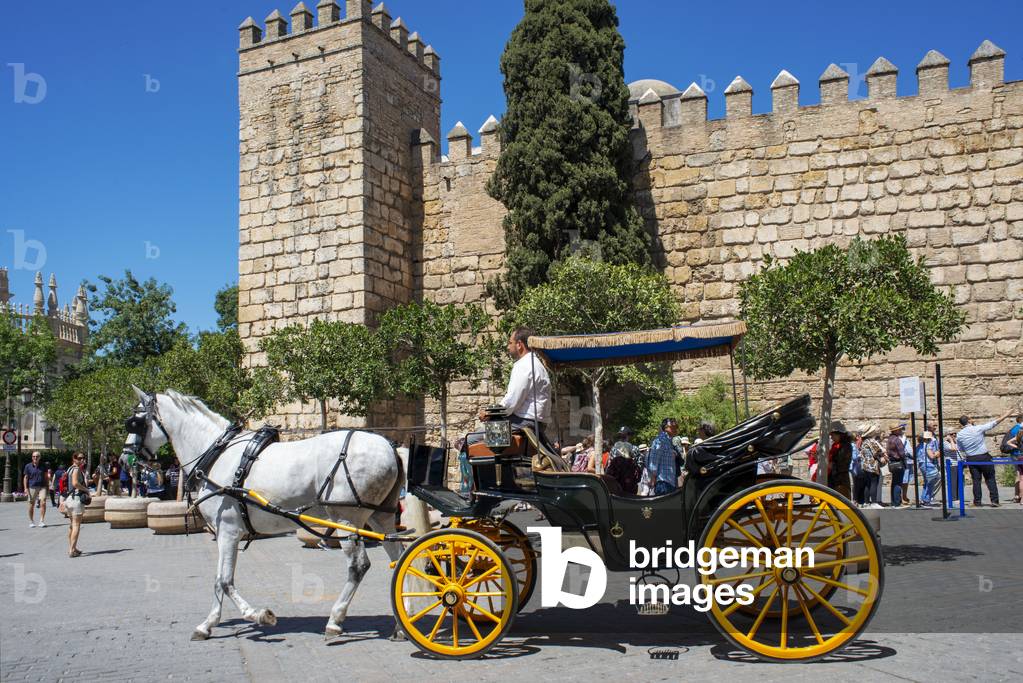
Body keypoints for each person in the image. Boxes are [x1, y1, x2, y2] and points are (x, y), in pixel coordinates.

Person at [478, 327, 551, 439]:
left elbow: (512, 400)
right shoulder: (536, 364)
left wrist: (490, 413)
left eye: (510, 343)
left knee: (470, 440)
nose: (508, 347)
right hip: (536, 422)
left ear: (519, 344)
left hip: (523, 422)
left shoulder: (524, 365)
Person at [956, 407, 1017, 507]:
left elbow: (960, 448)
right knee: (990, 478)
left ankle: (977, 502)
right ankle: (994, 501)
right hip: (983, 457)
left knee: (976, 480)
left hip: (971, 458)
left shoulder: (960, 434)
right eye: (971, 418)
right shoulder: (978, 428)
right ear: (969, 421)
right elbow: (994, 423)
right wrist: (1007, 414)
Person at [647, 418, 682, 496]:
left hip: (669, 482)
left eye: (676, 426)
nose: (676, 428)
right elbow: (654, 460)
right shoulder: (660, 440)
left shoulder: (669, 441)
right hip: (663, 483)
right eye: (673, 426)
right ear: (666, 427)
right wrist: (653, 477)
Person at [65, 452, 88, 557]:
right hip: (76, 500)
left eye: (83, 458)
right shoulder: (76, 469)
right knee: (76, 525)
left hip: (69, 499)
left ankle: (73, 547)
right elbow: (75, 483)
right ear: (74, 459)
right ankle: (72, 550)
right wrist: (86, 490)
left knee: (72, 525)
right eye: (79, 458)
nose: (82, 460)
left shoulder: (69, 469)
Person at [855, 424, 884, 508]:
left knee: (868, 484)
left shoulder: (864, 441)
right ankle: (874, 502)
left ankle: (866, 502)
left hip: (865, 465)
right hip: (872, 465)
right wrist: (883, 453)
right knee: (874, 483)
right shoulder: (871, 441)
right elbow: (878, 451)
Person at [605, 428, 641, 495]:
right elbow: (639, 466)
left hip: (616, 481)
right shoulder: (634, 448)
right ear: (629, 436)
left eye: (622, 436)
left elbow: (609, 464)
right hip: (629, 483)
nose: (621, 438)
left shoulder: (614, 448)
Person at [23, 452, 49, 528]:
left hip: (42, 486)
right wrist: (25, 488)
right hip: (32, 486)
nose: (35, 458)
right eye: (33, 456)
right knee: (31, 504)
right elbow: (26, 478)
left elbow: (46, 476)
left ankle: (41, 521)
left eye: (37, 456)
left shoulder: (43, 466)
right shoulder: (28, 466)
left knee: (43, 502)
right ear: (32, 457)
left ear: (39, 457)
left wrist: (48, 486)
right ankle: (31, 521)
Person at [827, 422, 853, 499]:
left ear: (839, 435)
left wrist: (832, 465)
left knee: (841, 498)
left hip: (840, 479)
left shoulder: (846, 446)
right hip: (834, 477)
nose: (831, 438)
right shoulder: (835, 445)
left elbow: (843, 463)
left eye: (833, 435)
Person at [885, 424, 907, 508]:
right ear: (896, 431)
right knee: (898, 483)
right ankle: (897, 502)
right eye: (900, 429)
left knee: (894, 482)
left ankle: (893, 501)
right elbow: (902, 453)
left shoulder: (889, 439)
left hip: (892, 462)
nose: (901, 431)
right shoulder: (897, 440)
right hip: (898, 462)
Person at [919, 431, 941, 506]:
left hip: (922, 464)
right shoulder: (928, 445)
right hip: (928, 465)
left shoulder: (920, 445)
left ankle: (923, 499)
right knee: (931, 482)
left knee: (927, 482)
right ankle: (926, 499)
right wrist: (937, 453)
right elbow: (931, 456)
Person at [1006, 415, 1022, 504]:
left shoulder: (1014, 429)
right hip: (1019, 454)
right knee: (1020, 476)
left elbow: (1010, 441)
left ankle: (1017, 495)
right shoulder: (1019, 429)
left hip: (1015, 454)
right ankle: (1019, 496)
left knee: (1018, 475)